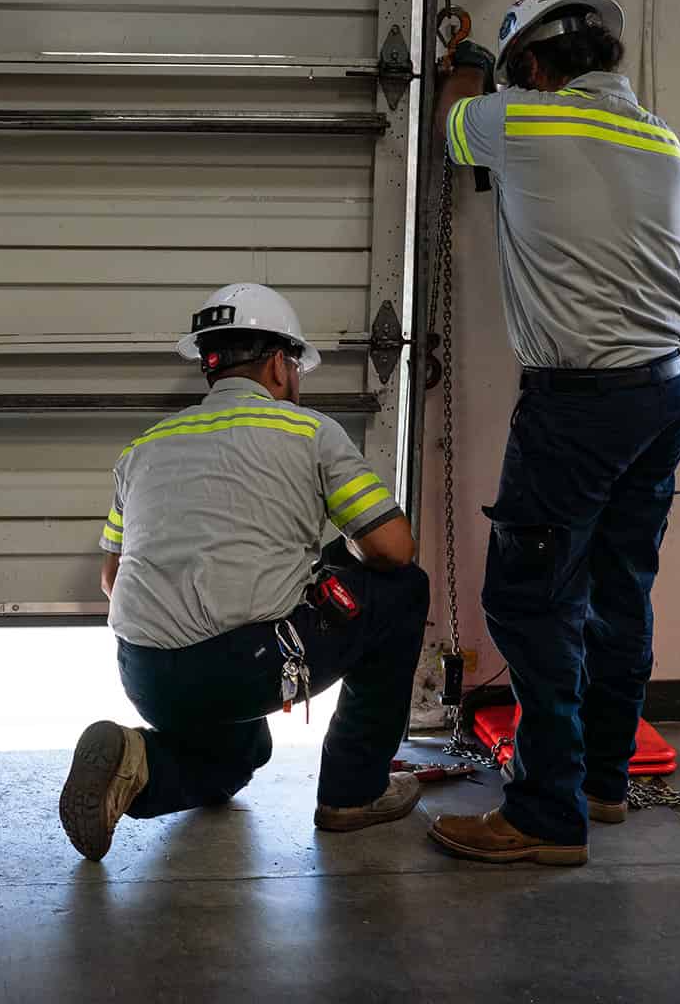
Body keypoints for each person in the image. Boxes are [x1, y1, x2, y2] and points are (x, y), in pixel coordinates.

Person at [424, 0, 680, 867]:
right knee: (621, 589)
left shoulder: (525, 123)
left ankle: (545, 813)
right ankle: (602, 784)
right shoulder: (661, 138)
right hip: (663, 394)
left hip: (579, 405)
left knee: (530, 598)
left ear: (534, 70)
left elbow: (451, 124)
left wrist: (463, 59)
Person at [58, 283, 432, 862]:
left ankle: (134, 761)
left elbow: (111, 582)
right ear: (280, 366)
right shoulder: (309, 432)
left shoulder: (144, 447)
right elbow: (395, 550)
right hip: (245, 668)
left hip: (148, 676)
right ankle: (355, 792)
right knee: (403, 591)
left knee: (243, 753)